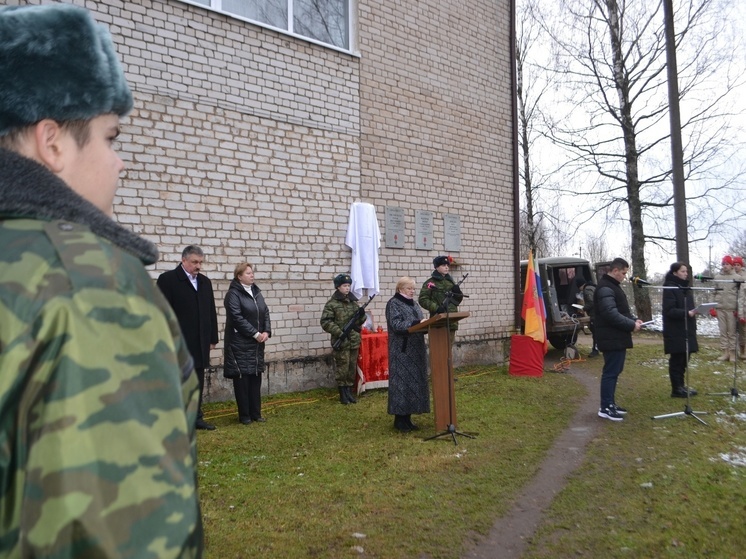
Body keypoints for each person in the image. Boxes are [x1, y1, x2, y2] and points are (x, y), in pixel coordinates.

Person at [0, 4, 202, 555]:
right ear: (53, 142)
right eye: (111, 137)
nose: (121, 163)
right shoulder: (87, 284)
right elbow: (122, 534)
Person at [158, 245, 219, 430]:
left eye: (200, 262)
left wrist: (212, 337)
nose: (198, 266)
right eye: (194, 262)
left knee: (197, 381)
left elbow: (211, 311)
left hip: (200, 342)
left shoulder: (205, 282)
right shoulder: (168, 280)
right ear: (184, 260)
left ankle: (196, 417)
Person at [594, 257, 643, 421]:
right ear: (615, 271)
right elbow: (610, 313)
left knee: (614, 371)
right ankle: (605, 407)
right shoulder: (605, 288)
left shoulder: (612, 287)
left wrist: (634, 320)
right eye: (623, 273)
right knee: (610, 372)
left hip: (616, 336)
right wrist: (630, 325)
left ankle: (610, 403)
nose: (624, 276)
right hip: (610, 337)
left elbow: (621, 311)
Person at [223, 262, 272, 424]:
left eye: (252, 273)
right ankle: (244, 415)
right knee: (242, 379)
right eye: (248, 273)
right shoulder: (233, 294)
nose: (252, 275)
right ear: (239, 276)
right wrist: (255, 333)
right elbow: (237, 318)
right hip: (240, 343)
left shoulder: (257, 292)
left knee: (255, 378)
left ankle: (256, 413)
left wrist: (266, 331)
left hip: (257, 344)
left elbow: (265, 312)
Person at [386, 277, 429, 432]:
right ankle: (399, 420)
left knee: (413, 384)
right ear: (400, 289)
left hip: (416, 349)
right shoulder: (393, 304)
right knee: (401, 385)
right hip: (401, 351)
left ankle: (408, 419)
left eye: (413, 289)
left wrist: (425, 324)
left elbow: (419, 321)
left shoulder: (415, 304)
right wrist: (416, 324)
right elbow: (396, 325)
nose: (412, 291)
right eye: (409, 288)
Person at [321, 273, 367, 404]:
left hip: (353, 340)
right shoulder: (332, 304)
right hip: (341, 342)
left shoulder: (353, 303)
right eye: (344, 286)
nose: (347, 288)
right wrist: (339, 332)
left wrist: (362, 315)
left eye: (348, 286)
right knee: (343, 367)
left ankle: (349, 391)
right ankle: (342, 393)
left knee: (351, 367)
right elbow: (326, 322)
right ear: (338, 287)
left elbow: (358, 322)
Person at [662, 262, 699, 398]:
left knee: (685, 358)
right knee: (677, 359)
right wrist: (687, 313)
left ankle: (681, 386)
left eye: (686, 272)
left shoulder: (685, 287)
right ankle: (676, 388)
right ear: (675, 272)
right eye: (683, 271)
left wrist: (695, 311)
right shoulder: (669, 287)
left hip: (687, 327)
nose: (685, 274)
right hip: (675, 329)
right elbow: (669, 310)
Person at [418, 255, 465, 344]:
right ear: (436, 267)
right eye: (443, 265)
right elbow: (423, 299)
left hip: (451, 322)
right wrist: (436, 308)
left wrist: (458, 293)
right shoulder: (430, 283)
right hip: (438, 322)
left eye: (447, 265)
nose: (446, 267)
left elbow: (457, 301)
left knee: (448, 352)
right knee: (438, 351)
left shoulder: (450, 282)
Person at [711, 255, 739, 361]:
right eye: (723, 264)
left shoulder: (737, 278)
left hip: (731, 309)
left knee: (731, 332)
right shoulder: (717, 277)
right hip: (720, 308)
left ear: (731, 265)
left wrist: (738, 309)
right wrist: (712, 307)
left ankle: (732, 353)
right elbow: (714, 292)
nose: (725, 266)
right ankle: (725, 352)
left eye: (727, 264)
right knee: (722, 331)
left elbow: (740, 295)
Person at [733, 256, 746, 359]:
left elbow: (742, 296)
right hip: (732, 306)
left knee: (743, 330)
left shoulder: (744, 277)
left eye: (738, 265)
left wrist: (741, 311)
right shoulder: (732, 277)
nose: (736, 267)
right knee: (732, 330)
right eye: (735, 265)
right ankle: (732, 351)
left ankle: (743, 351)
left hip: (743, 307)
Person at [582, 279, 600, 357]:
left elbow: (591, 302)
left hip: (594, 314)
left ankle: (595, 350)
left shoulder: (587, 290)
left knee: (595, 333)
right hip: (599, 313)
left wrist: (584, 308)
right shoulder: (594, 288)